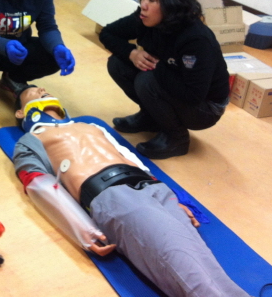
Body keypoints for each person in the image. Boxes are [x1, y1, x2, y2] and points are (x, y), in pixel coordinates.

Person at [12, 85, 249, 297]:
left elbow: (128, 157)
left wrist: (175, 198)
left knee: (204, 264)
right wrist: (81, 228)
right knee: (185, 268)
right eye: (32, 91)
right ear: (21, 112)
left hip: (152, 188)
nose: (41, 90)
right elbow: (37, 184)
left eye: (43, 89)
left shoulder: (91, 126)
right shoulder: (30, 140)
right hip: (112, 195)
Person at [99, 0, 230, 159]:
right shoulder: (145, 17)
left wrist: (158, 67)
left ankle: (177, 139)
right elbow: (107, 33)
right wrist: (132, 53)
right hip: (171, 79)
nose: (143, 5)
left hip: (206, 107)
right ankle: (150, 118)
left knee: (147, 80)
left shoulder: (196, 39)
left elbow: (194, 95)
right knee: (118, 63)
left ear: (172, 4)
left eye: (151, 0)